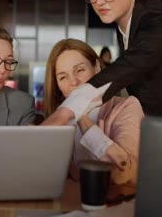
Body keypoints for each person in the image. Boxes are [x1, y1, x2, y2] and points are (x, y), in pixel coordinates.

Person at [44, 38, 144, 185]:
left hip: (115, 202)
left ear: (97, 68)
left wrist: (82, 118)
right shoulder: (60, 120)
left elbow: (126, 175)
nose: (73, 82)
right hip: (72, 203)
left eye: (79, 70)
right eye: (63, 77)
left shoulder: (127, 106)